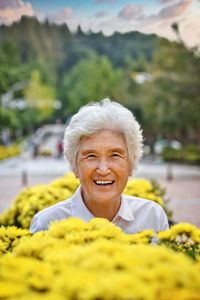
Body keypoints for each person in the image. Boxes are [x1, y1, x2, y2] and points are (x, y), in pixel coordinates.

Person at [30, 98, 169, 234]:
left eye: (115, 155)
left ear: (131, 164)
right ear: (74, 166)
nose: (103, 170)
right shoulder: (47, 225)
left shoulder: (152, 218)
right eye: (91, 156)